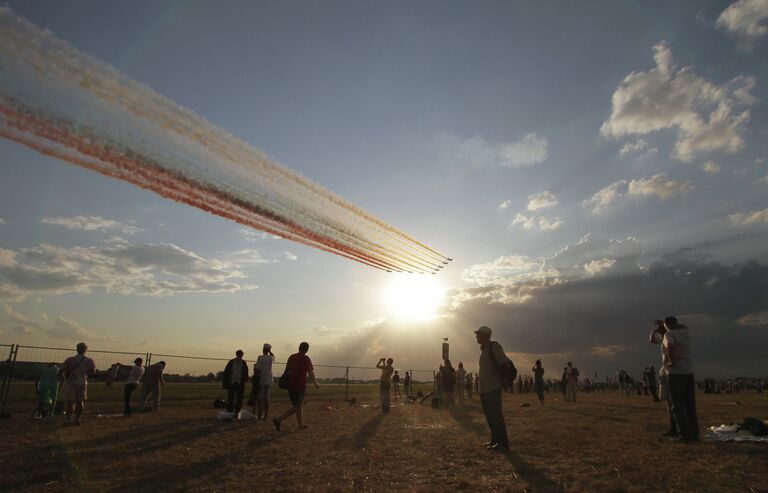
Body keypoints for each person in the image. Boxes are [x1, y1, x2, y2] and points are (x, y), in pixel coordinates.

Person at [662, 316, 699, 442]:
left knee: (677, 404)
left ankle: (685, 434)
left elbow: (670, 347)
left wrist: (672, 361)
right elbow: (681, 326)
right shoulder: (685, 333)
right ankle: (694, 432)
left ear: (666, 324)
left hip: (676, 372)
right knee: (689, 404)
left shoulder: (668, 334)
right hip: (688, 370)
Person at [475, 326, 511, 451]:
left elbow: (504, 363)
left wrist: (505, 380)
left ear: (485, 335)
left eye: (478, 334)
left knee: (496, 416)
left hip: (493, 387)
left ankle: (502, 443)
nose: (476, 336)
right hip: (485, 389)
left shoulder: (493, 347)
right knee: (490, 416)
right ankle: (495, 440)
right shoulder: (484, 349)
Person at [274, 342, 318, 431]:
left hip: (291, 385)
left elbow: (286, 371)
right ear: (307, 350)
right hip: (300, 386)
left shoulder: (292, 357)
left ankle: (300, 425)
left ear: (299, 348)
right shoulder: (306, 358)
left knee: (299, 404)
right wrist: (315, 383)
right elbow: (310, 373)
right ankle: (279, 419)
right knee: (297, 406)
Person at [60, 342, 96, 425]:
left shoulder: (69, 359)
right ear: (85, 350)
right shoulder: (89, 360)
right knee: (80, 402)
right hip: (82, 382)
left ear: (77, 349)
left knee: (70, 402)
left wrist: (64, 378)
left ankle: (69, 420)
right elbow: (93, 371)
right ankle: (78, 420)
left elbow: (61, 370)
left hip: (70, 383)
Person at [223, 350, 249, 415]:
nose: (241, 356)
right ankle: (230, 412)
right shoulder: (231, 362)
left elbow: (246, 372)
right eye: (240, 354)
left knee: (239, 398)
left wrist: (244, 380)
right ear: (238, 355)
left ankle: (237, 412)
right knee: (230, 398)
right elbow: (226, 372)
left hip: (240, 382)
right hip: (232, 382)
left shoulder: (243, 363)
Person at [254, 343, 274, 420]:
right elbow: (272, 356)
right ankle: (266, 416)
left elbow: (257, 369)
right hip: (268, 380)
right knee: (266, 398)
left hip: (261, 379)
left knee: (260, 398)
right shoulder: (270, 358)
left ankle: (259, 415)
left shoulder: (260, 358)